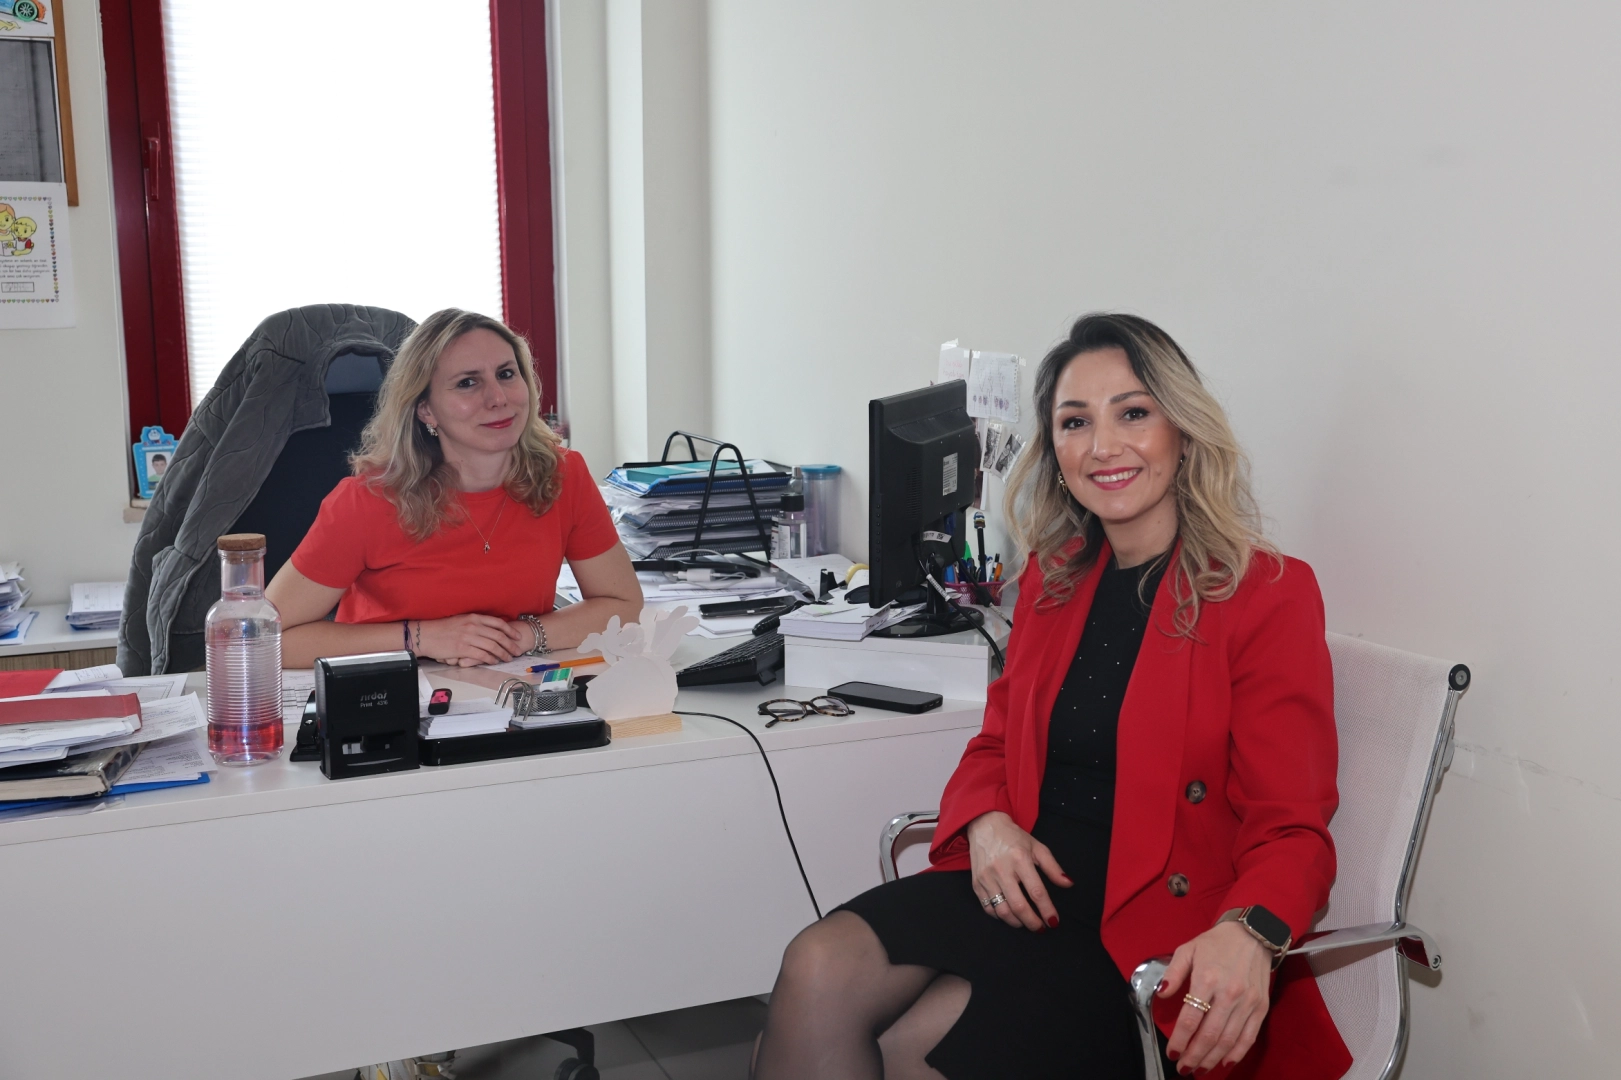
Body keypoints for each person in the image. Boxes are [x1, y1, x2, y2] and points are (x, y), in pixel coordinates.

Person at [752, 314, 1350, 1080]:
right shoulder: (1054, 576)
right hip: (1027, 884)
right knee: (815, 968)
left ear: (1182, 432)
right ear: (1056, 453)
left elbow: (1292, 826)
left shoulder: (1263, 592)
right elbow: (996, 744)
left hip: (1147, 928)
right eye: (1075, 422)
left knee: (909, 1058)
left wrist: (1250, 929)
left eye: (1132, 413)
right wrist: (987, 822)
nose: (1102, 445)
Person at [267, 308, 642, 670]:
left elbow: (623, 604)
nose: (498, 398)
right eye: (467, 382)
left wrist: (521, 636)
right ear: (426, 410)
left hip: (514, 685)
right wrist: (423, 638)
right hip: (392, 691)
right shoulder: (367, 501)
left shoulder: (562, 475)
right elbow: (264, 638)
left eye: (506, 374)